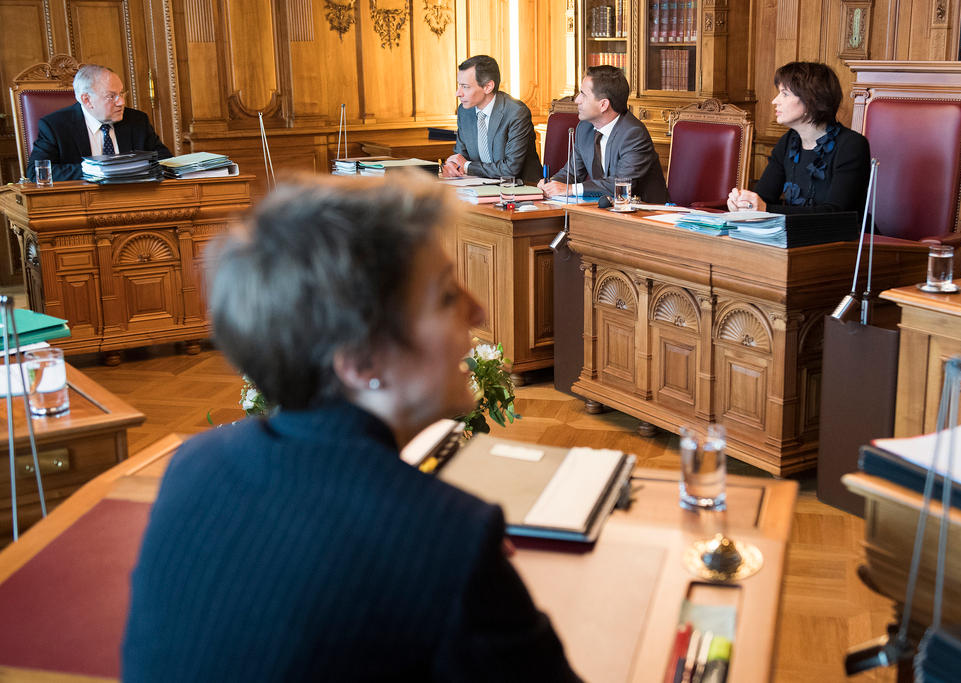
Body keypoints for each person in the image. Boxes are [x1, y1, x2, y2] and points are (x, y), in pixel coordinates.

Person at [121, 173, 581, 682]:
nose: (479, 310)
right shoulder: (447, 540)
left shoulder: (195, 463)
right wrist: (457, 559)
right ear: (361, 362)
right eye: (447, 297)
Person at [728, 61, 870, 215]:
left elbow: (835, 213)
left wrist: (765, 209)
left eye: (785, 94)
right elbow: (764, 197)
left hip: (845, 237)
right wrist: (744, 204)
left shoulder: (851, 145)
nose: (774, 101)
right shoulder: (788, 142)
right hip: (793, 236)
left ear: (811, 100)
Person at [538, 65, 667, 204]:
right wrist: (550, 184)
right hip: (605, 210)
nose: (577, 100)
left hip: (645, 215)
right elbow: (571, 173)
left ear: (603, 105)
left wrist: (570, 189)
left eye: (583, 94)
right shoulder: (584, 128)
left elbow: (620, 186)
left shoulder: (633, 134)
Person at [27, 64, 171, 182]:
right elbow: (38, 173)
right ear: (87, 100)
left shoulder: (137, 120)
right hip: (81, 204)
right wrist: (97, 170)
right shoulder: (55, 126)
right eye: (111, 96)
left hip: (133, 199)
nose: (121, 102)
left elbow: (165, 160)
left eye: (121, 94)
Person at [443, 55, 543, 183]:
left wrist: (467, 166)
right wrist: (452, 165)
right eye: (459, 85)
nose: (458, 93)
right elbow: (460, 157)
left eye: (465, 86)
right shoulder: (464, 111)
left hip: (520, 189)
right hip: (479, 187)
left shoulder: (516, 112)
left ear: (488, 87)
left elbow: (510, 170)